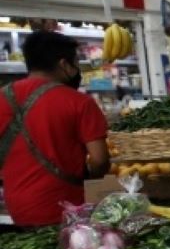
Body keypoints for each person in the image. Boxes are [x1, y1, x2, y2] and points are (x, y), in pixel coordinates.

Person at [0, 31, 109, 227]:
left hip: (15, 206)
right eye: (75, 62)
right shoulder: (79, 102)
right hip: (66, 207)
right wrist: (94, 181)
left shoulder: (2, 98)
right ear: (64, 64)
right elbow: (100, 159)